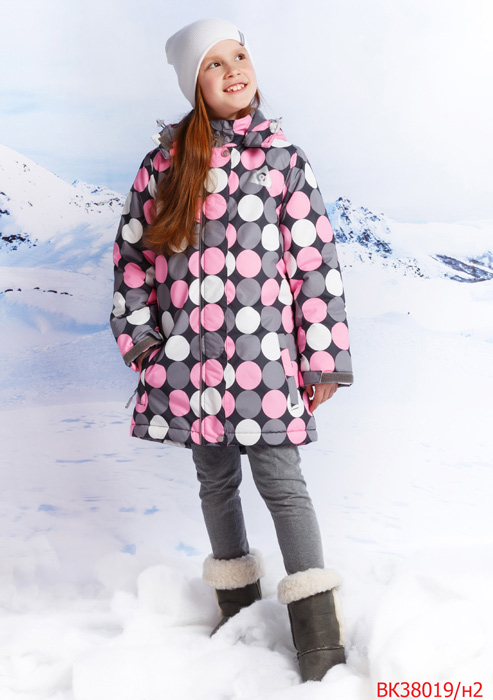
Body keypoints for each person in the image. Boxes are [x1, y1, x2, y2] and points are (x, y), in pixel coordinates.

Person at [110, 17, 353, 683]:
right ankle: (237, 613)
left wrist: (322, 356)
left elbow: (313, 265)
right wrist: (144, 345)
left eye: (238, 55)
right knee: (214, 479)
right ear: (195, 84)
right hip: (189, 363)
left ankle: (319, 645)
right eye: (214, 63)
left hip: (264, 361)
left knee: (282, 481)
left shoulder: (282, 162)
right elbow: (132, 260)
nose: (232, 69)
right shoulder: (162, 167)